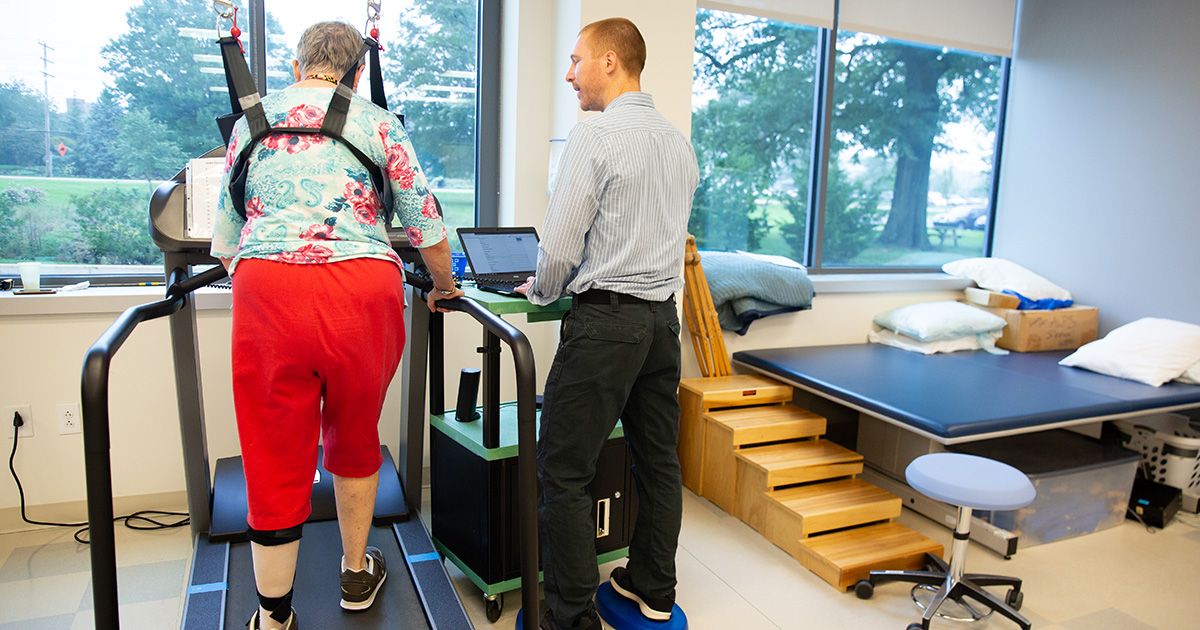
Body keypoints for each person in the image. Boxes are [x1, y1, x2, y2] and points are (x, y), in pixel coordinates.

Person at [210, 21, 463, 630]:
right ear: (355, 74)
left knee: (273, 451)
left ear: (298, 70)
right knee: (353, 432)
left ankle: (273, 614)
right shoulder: (379, 123)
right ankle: (355, 573)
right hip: (361, 294)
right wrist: (445, 289)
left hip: (268, 295)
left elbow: (226, 242)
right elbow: (428, 230)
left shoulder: (250, 122)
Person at [514, 17, 700, 630]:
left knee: (563, 470)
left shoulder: (592, 138)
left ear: (611, 62)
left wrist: (539, 291)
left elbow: (561, 248)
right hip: (660, 326)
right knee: (658, 463)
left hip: (606, 326)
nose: (570, 73)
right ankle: (653, 588)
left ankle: (571, 614)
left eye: (576, 60)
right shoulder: (678, 143)